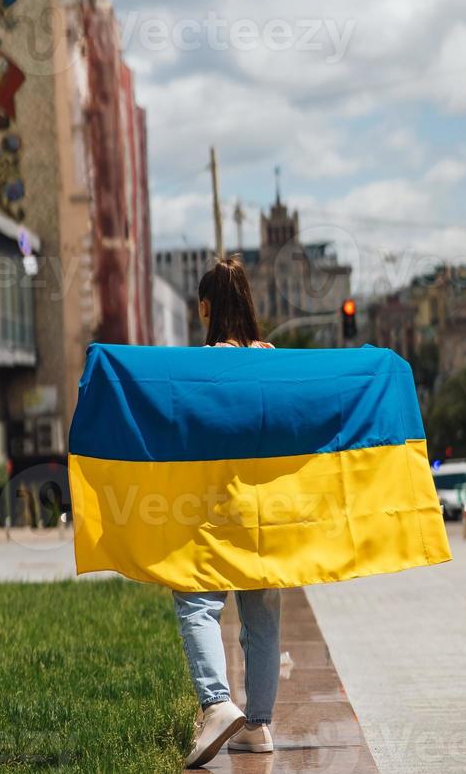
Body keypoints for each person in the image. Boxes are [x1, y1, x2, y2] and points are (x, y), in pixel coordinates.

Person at [175, 257, 280, 769]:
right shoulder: (272, 361)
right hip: (264, 513)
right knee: (261, 614)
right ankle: (258, 725)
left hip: (215, 509)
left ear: (205, 308)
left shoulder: (204, 365)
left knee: (195, 600)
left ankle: (216, 704)